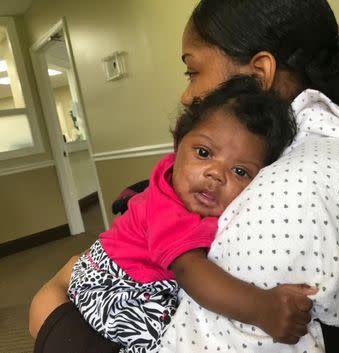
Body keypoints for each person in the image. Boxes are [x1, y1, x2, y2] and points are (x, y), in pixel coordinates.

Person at [29, 1, 339, 352]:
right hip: (112, 279)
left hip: (96, 298)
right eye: (203, 152)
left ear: (258, 74)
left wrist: (52, 302)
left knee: (49, 296)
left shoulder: (289, 192)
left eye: (192, 71)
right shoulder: (319, 157)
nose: (186, 95)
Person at [34, 76, 309, 353]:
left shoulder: (193, 188)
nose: (215, 174)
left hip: (133, 279)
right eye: (203, 153)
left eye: (240, 171)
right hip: (110, 284)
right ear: (177, 144)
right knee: (167, 341)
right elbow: (189, 269)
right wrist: (262, 308)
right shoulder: (168, 206)